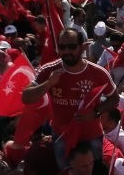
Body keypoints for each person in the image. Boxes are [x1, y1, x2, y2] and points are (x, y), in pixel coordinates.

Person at [22, 27, 118, 167]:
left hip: (91, 135)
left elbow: (114, 99)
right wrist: (49, 84)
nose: (66, 51)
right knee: (67, 174)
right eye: (62, 47)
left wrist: (96, 112)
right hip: (62, 136)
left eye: (71, 46)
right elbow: (26, 97)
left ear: (81, 47)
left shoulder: (98, 73)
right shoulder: (49, 70)